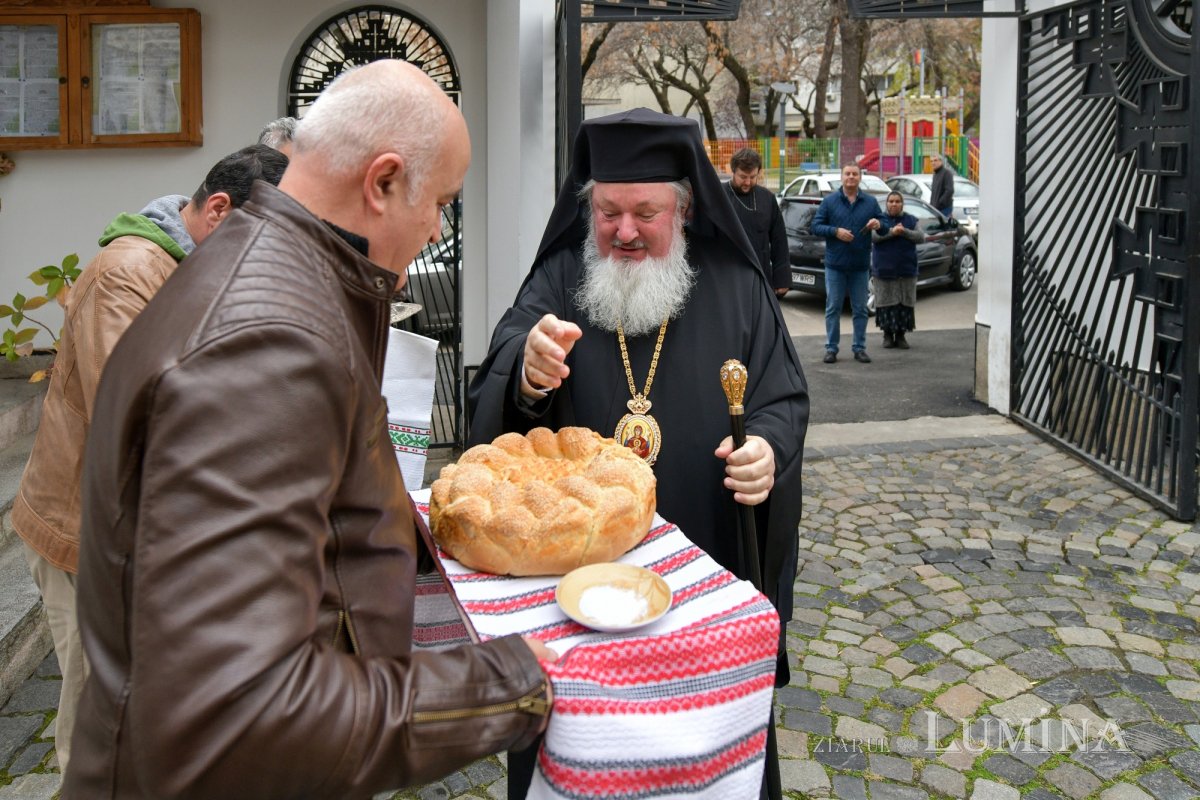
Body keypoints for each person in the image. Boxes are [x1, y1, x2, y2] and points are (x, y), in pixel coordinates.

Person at [66, 61, 553, 799]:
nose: (438, 227)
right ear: (384, 182)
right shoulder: (266, 345)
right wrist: (521, 681)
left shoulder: (271, 270)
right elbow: (241, 712)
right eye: (442, 202)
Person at [468, 108, 808, 799]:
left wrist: (768, 448)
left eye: (644, 213)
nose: (623, 231)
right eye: (607, 211)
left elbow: (783, 397)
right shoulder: (563, 275)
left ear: (683, 209)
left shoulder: (735, 283)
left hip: (705, 568)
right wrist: (529, 369)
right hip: (574, 578)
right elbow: (507, 356)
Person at [10, 143, 288, 775]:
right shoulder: (128, 273)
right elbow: (139, 414)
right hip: (87, 536)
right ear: (218, 211)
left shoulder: (190, 267)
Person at [811, 162, 883, 364]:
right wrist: (835, 231)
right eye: (847, 174)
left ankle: (859, 348)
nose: (851, 177)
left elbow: (884, 224)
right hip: (835, 265)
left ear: (860, 177)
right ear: (841, 177)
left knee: (860, 309)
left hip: (860, 266)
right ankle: (831, 349)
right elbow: (815, 226)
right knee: (833, 307)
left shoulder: (870, 202)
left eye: (855, 174)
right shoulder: (830, 201)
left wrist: (878, 224)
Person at [727, 147, 789, 297]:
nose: (747, 182)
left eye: (752, 177)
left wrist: (782, 278)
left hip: (760, 274)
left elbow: (779, 240)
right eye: (742, 176)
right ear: (733, 171)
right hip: (728, 276)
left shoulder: (767, 198)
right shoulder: (719, 196)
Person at [871, 191, 926, 349]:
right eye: (891, 201)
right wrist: (891, 232)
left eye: (897, 201)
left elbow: (921, 237)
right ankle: (887, 336)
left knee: (904, 303)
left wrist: (904, 232)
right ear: (886, 204)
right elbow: (874, 237)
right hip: (884, 269)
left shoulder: (911, 220)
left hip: (906, 270)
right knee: (886, 303)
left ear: (902, 204)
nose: (894, 204)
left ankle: (901, 336)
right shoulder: (880, 219)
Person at [930, 153, 954, 219]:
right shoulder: (935, 175)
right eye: (931, 161)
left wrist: (940, 203)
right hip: (935, 209)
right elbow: (934, 192)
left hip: (944, 209)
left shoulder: (947, 173)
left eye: (935, 160)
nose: (933, 163)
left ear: (941, 161)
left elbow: (949, 190)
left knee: (945, 228)